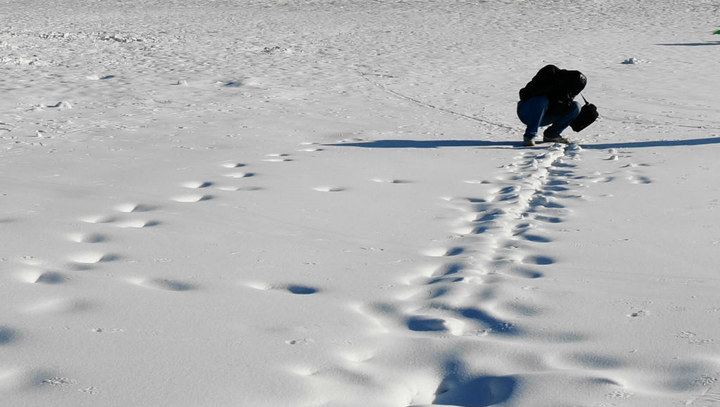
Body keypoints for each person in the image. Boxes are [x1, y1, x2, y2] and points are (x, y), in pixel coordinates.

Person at [517, 64, 587, 146]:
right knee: (542, 100)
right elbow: (524, 94)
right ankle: (529, 136)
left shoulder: (568, 90)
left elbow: (559, 108)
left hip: (546, 116)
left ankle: (551, 135)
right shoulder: (550, 73)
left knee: (576, 106)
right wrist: (552, 91)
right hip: (526, 112)